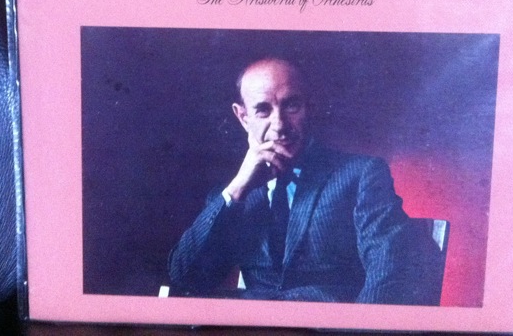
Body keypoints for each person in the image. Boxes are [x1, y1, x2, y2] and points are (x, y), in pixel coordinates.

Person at [168, 58, 442, 304]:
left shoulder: (361, 175)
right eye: (263, 110)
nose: (279, 125)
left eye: (291, 106)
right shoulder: (232, 195)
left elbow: (390, 274)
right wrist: (237, 188)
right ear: (243, 117)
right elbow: (185, 278)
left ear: (311, 107)